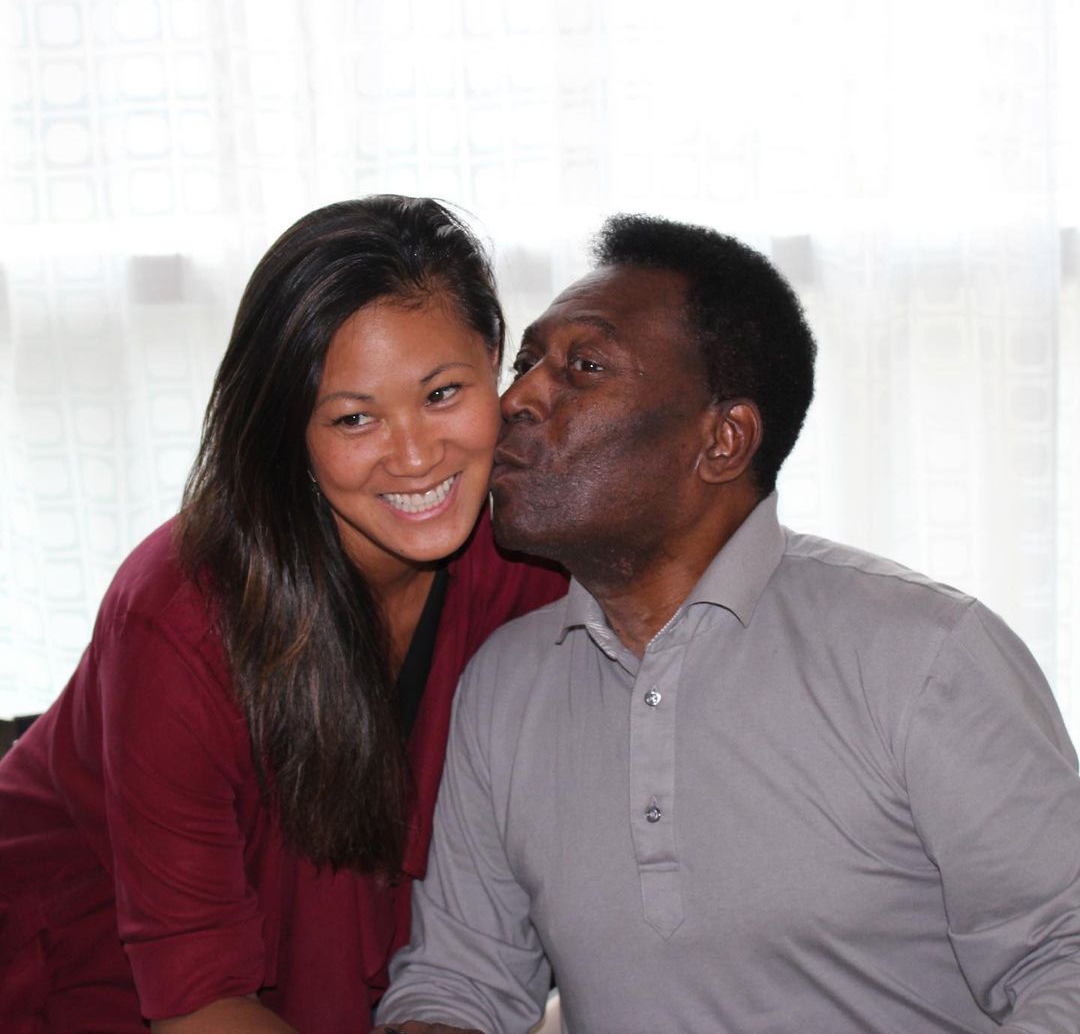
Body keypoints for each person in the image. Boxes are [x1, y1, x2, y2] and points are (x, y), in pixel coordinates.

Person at [374, 214, 1080, 1034]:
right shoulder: (505, 682)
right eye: (525, 363)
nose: (515, 400)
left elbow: (1061, 957)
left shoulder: (925, 655)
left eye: (584, 368)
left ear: (723, 440)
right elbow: (460, 984)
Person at [0, 195, 567, 1033]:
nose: (417, 456)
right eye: (354, 418)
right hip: (77, 970)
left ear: (495, 369)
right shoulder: (183, 614)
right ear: (286, 430)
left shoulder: (527, 558)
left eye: (443, 393)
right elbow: (197, 1003)